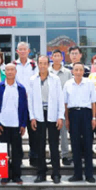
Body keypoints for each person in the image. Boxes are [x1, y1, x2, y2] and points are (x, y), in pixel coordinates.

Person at [27, 55, 65, 183]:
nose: (42, 65)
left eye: (45, 63)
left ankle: (56, 173)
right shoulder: (33, 79)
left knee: (54, 145)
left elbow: (60, 98)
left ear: (48, 64)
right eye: (40, 63)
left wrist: (60, 116)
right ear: (37, 64)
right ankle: (41, 173)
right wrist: (32, 117)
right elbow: (30, 100)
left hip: (52, 114)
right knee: (40, 146)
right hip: (39, 115)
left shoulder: (55, 79)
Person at [63, 62, 96, 183]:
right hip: (73, 114)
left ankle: (89, 174)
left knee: (88, 144)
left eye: (80, 70)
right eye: (76, 70)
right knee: (75, 144)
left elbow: (93, 102)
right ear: (72, 71)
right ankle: (77, 174)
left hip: (86, 114)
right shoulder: (68, 84)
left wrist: (94, 118)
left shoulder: (89, 83)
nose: (78, 72)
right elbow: (65, 104)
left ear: (84, 71)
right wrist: (67, 119)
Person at [13, 42, 37, 164]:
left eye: (24, 49)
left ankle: (34, 157)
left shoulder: (33, 65)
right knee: (17, 132)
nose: (22, 51)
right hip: (17, 103)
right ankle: (18, 158)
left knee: (33, 131)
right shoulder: (13, 65)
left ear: (28, 51)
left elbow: (37, 81)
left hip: (32, 102)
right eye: (20, 49)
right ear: (17, 51)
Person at [49, 49, 73, 166]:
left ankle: (65, 155)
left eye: (59, 56)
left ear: (62, 58)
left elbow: (70, 89)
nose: (57, 58)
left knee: (63, 132)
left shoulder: (67, 72)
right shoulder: (47, 71)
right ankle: (52, 155)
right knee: (51, 133)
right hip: (49, 106)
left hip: (63, 105)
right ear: (51, 57)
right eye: (55, 55)